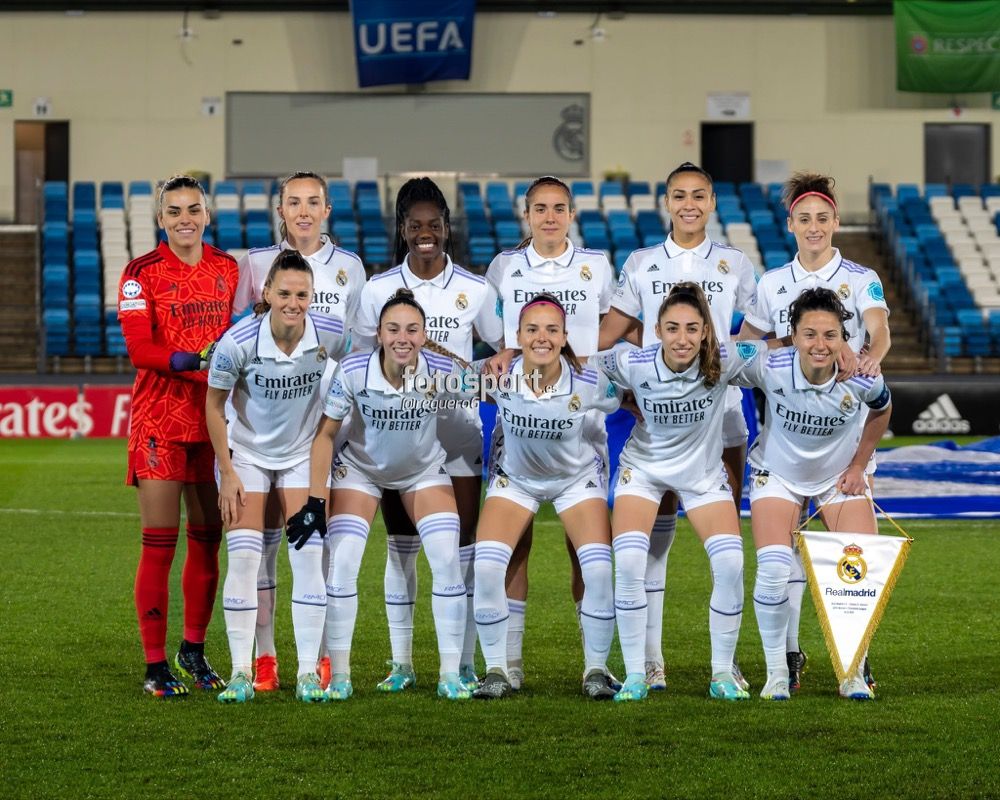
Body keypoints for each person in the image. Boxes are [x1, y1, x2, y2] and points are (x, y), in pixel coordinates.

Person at [597, 162, 758, 692]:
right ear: (667, 202)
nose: (689, 204)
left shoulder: (736, 263)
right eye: (679, 196)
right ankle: (649, 662)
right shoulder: (642, 263)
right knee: (651, 546)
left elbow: (761, 335)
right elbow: (607, 338)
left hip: (720, 410)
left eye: (699, 196)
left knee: (727, 546)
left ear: (712, 202)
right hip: (658, 408)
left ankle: (725, 664)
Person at [738, 172, 891, 692]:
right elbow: (747, 345)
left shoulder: (861, 276)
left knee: (856, 563)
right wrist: (796, 348)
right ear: (790, 225)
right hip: (785, 437)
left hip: (842, 439)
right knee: (779, 562)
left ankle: (855, 662)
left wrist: (867, 358)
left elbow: (879, 328)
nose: (814, 227)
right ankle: (786, 657)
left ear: (836, 222)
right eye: (804, 219)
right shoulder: (772, 283)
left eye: (822, 218)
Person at [353, 178, 503, 693]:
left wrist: (477, 374)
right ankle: (402, 663)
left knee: (461, 549)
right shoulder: (377, 290)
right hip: (398, 439)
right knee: (402, 547)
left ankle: (461, 663)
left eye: (434, 225)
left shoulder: (476, 289)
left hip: (458, 436)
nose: (425, 234)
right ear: (402, 229)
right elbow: (361, 361)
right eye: (415, 225)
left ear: (446, 228)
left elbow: (504, 351)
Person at [287, 289, 471, 701]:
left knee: (446, 560)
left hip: (423, 472)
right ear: (379, 334)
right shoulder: (353, 370)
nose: (402, 338)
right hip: (361, 471)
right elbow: (325, 436)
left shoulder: (442, 369)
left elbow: (499, 388)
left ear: (425, 335)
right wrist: (316, 501)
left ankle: (449, 675)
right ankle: (340, 677)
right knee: (343, 564)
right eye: (393, 329)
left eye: (412, 330)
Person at [233, 170, 366, 693]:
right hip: (263, 432)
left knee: (316, 544)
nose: (304, 211)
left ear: (327, 209)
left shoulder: (350, 268)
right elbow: (240, 339)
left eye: (314, 202)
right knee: (262, 545)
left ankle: (322, 657)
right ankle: (264, 656)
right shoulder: (253, 264)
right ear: (281, 210)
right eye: (294, 202)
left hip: (322, 432)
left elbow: (357, 352)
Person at [485, 175, 615, 690]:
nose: (550, 217)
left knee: (588, 559)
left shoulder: (596, 265)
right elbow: (477, 350)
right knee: (506, 555)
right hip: (518, 440)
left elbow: (613, 331)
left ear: (572, 214)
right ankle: (505, 666)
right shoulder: (504, 266)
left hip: (580, 428)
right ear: (527, 214)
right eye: (540, 208)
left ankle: (595, 666)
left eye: (559, 208)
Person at [206, 250, 350, 703]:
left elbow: (351, 372)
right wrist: (227, 471)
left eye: (302, 295)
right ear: (266, 293)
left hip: (301, 456)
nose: (293, 303)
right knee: (245, 560)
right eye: (284, 293)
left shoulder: (331, 333)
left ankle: (307, 672)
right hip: (246, 456)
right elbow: (213, 406)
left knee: (308, 558)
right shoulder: (238, 342)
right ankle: (241, 673)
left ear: (312, 296)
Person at [118, 174, 239, 697]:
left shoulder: (228, 268)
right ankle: (154, 666)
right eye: (174, 211)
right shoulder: (139, 273)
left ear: (207, 215)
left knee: (209, 542)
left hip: (213, 421)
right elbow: (138, 349)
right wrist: (190, 360)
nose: (185, 219)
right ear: (160, 219)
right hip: (159, 423)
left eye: (193, 209)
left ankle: (193, 650)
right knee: (159, 545)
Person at [470, 294, 619, 700]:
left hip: (575, 479)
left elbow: (627, 399)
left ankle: (596, 669)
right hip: (516, 480)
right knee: (488, 566)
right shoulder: (497, 375)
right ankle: (498, 669)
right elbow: (443, 383)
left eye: (552, 330)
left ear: (565, 336)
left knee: (598, 569)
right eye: (532, 329)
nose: (542, 337)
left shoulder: (589, 381)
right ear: (517, 337)